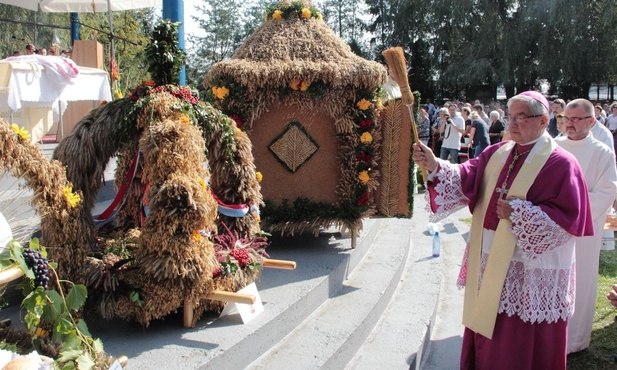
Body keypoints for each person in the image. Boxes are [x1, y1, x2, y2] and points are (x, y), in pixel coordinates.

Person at [412, 91, 593, 369]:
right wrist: (434, 163)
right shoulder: (497, 153)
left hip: (528, 270)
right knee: (487, 329)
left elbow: (568, 220)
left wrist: (521, 214)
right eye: (512, 116)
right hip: (489, 257)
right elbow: (467, 176)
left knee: (519, 343)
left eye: (522, 117)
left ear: (544, 120)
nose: (513, 123)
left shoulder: (562, 163)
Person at [555, 99, 617, 354]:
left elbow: (606, 192)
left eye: (576, 119)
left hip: (583, 230)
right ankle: (549, 335)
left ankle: (574, 340)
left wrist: (566, 206)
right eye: (566, 118)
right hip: (551, 227)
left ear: (591, 121)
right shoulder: (553, 146)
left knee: (580, 279)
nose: (569, 123)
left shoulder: (603, 152)